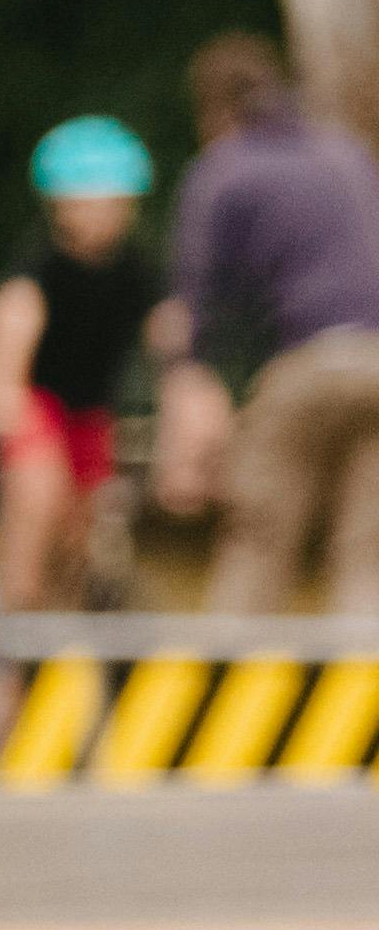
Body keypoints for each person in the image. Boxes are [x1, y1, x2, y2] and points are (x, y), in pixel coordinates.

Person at [162, 36, 379, 613]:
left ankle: (226, 673)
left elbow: (193, 305)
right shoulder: (347, 153)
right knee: (368, 549)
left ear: (213, 109)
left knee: (261, 533)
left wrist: (190, 391)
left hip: (311, 362)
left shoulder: (226, 169)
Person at [0, 116, 160, 609]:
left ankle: (85, 627)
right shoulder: (39, 268)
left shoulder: (135, 269)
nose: (108, 213)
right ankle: (17, 618)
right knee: (37, 501)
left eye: (117, 201)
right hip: (39, 403)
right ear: (62, 205)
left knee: (93, 537)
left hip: (91, 413)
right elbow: (5, 355)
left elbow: (170, 333)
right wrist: (12, 417)